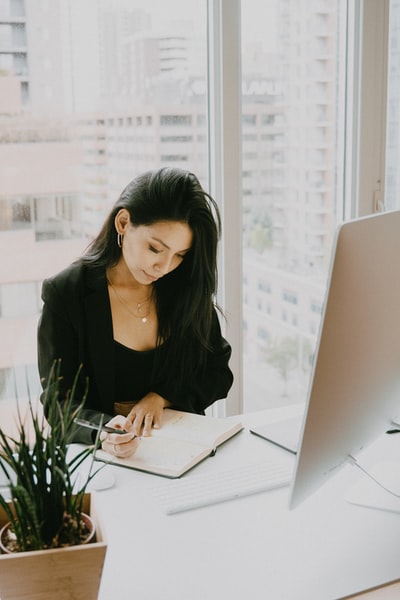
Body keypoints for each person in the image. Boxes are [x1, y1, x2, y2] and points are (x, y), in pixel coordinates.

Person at [37, 167, 234, 458]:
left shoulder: (184, 286)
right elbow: (58, 404)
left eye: (179, 255)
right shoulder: (67, 293)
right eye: (156, 248)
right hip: (104, 461)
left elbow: (216, 371)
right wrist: (104, 430)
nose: (164, 267)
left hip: (181, 453)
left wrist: (162, 397)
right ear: (123, 222)